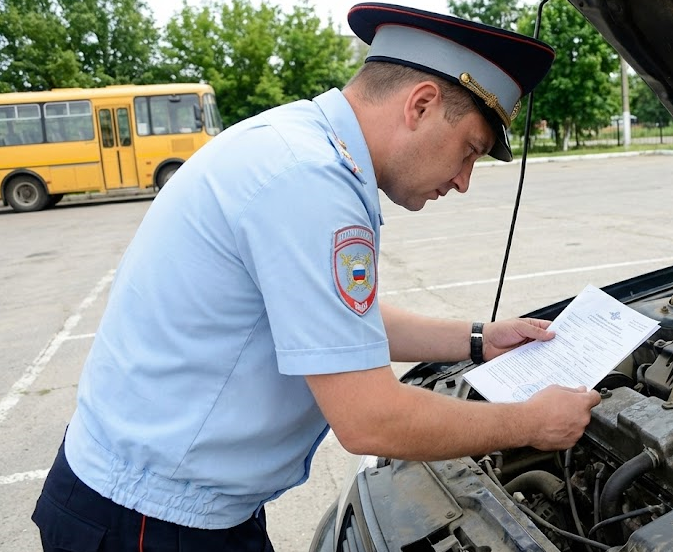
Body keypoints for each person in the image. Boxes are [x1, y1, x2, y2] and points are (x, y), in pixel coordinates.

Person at [31, 3, 602, 551]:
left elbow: (333, 322)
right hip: (148, 523)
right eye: (469, 151)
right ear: (422, 104)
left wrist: (477, 338)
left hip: (156, 502)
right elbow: (370, 419)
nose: (462, 181)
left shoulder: (298, 145)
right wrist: (532, 422)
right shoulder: (308, 182)